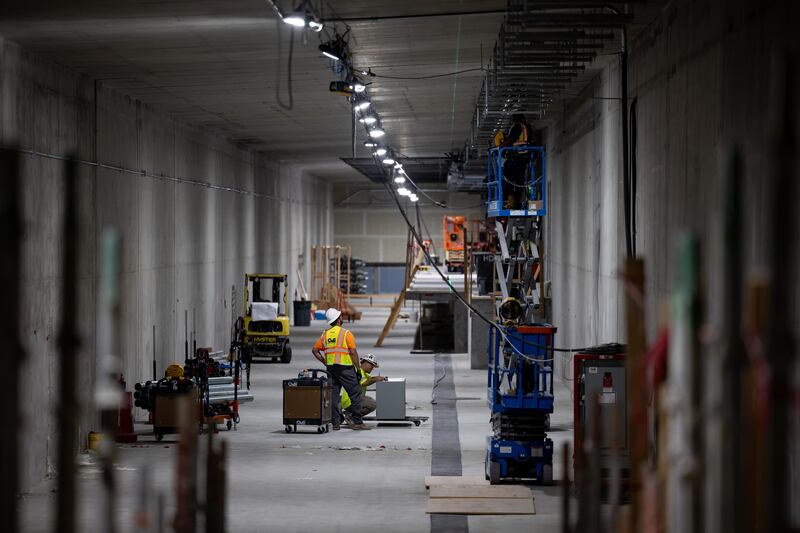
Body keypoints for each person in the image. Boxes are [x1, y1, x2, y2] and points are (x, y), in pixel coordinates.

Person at [311, 308, 370, 431]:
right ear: (338, 319)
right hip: (346, 369)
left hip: (331, 369)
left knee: (334, 396)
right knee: (355, 393)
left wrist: (324, 361)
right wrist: (358, 369)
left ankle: (336, 423)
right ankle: (357, 422)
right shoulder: (346, 333)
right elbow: (353, 352)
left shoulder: (325, 335)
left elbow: (315, 350)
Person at [341, 353, 387, 424]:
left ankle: (349, 413)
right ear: (366, 363)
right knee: (372, 404)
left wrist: (379, 378)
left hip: (351, 400)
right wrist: (376, 379)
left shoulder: (363, 373)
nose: (373, 368)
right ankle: (352, 417)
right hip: (350, 401)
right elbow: (365, 382)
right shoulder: (358, 372)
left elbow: (370, 378)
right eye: (372, 365)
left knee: (369, 401)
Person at [502, 113, 535, 209]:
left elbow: (510, 140)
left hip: (516, 156)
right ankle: (516, 203)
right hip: (524, 158)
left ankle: (511, 202)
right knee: (519, 181)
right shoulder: (527, 127)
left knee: (506, 179)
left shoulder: (518, 126)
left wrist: (500, 147)